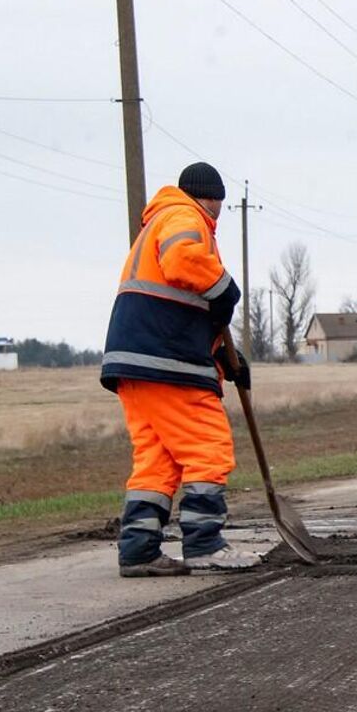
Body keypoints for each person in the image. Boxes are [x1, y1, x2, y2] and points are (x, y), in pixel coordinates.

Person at [100, 162, 256, 577]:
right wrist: (225, 287)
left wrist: (226, 357)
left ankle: (138, 550)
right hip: (166, 359)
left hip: (135, 360)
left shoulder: (158, 222)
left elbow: (183, 304)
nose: (217, 215)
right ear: (210, 199)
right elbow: (183, 262)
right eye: (218, 206)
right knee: (208, 445)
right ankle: (204, 544)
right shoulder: (184, 215)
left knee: (157, 459)